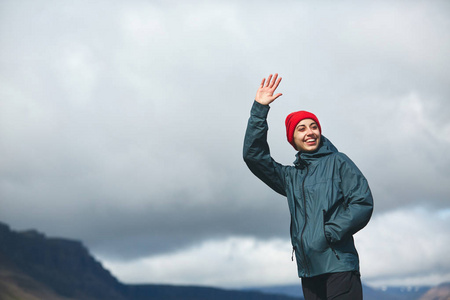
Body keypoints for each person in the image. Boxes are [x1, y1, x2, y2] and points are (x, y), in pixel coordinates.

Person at [243, 74, 373, 300]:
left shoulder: (338, 161)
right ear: (292, 139)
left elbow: (362, 202)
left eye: (314, 126)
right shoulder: (291, 177)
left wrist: (329, 233)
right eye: (301, 129)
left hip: (339, 265)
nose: (310, 132)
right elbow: (254, 157)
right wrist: (259, 110)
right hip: (309, 270)